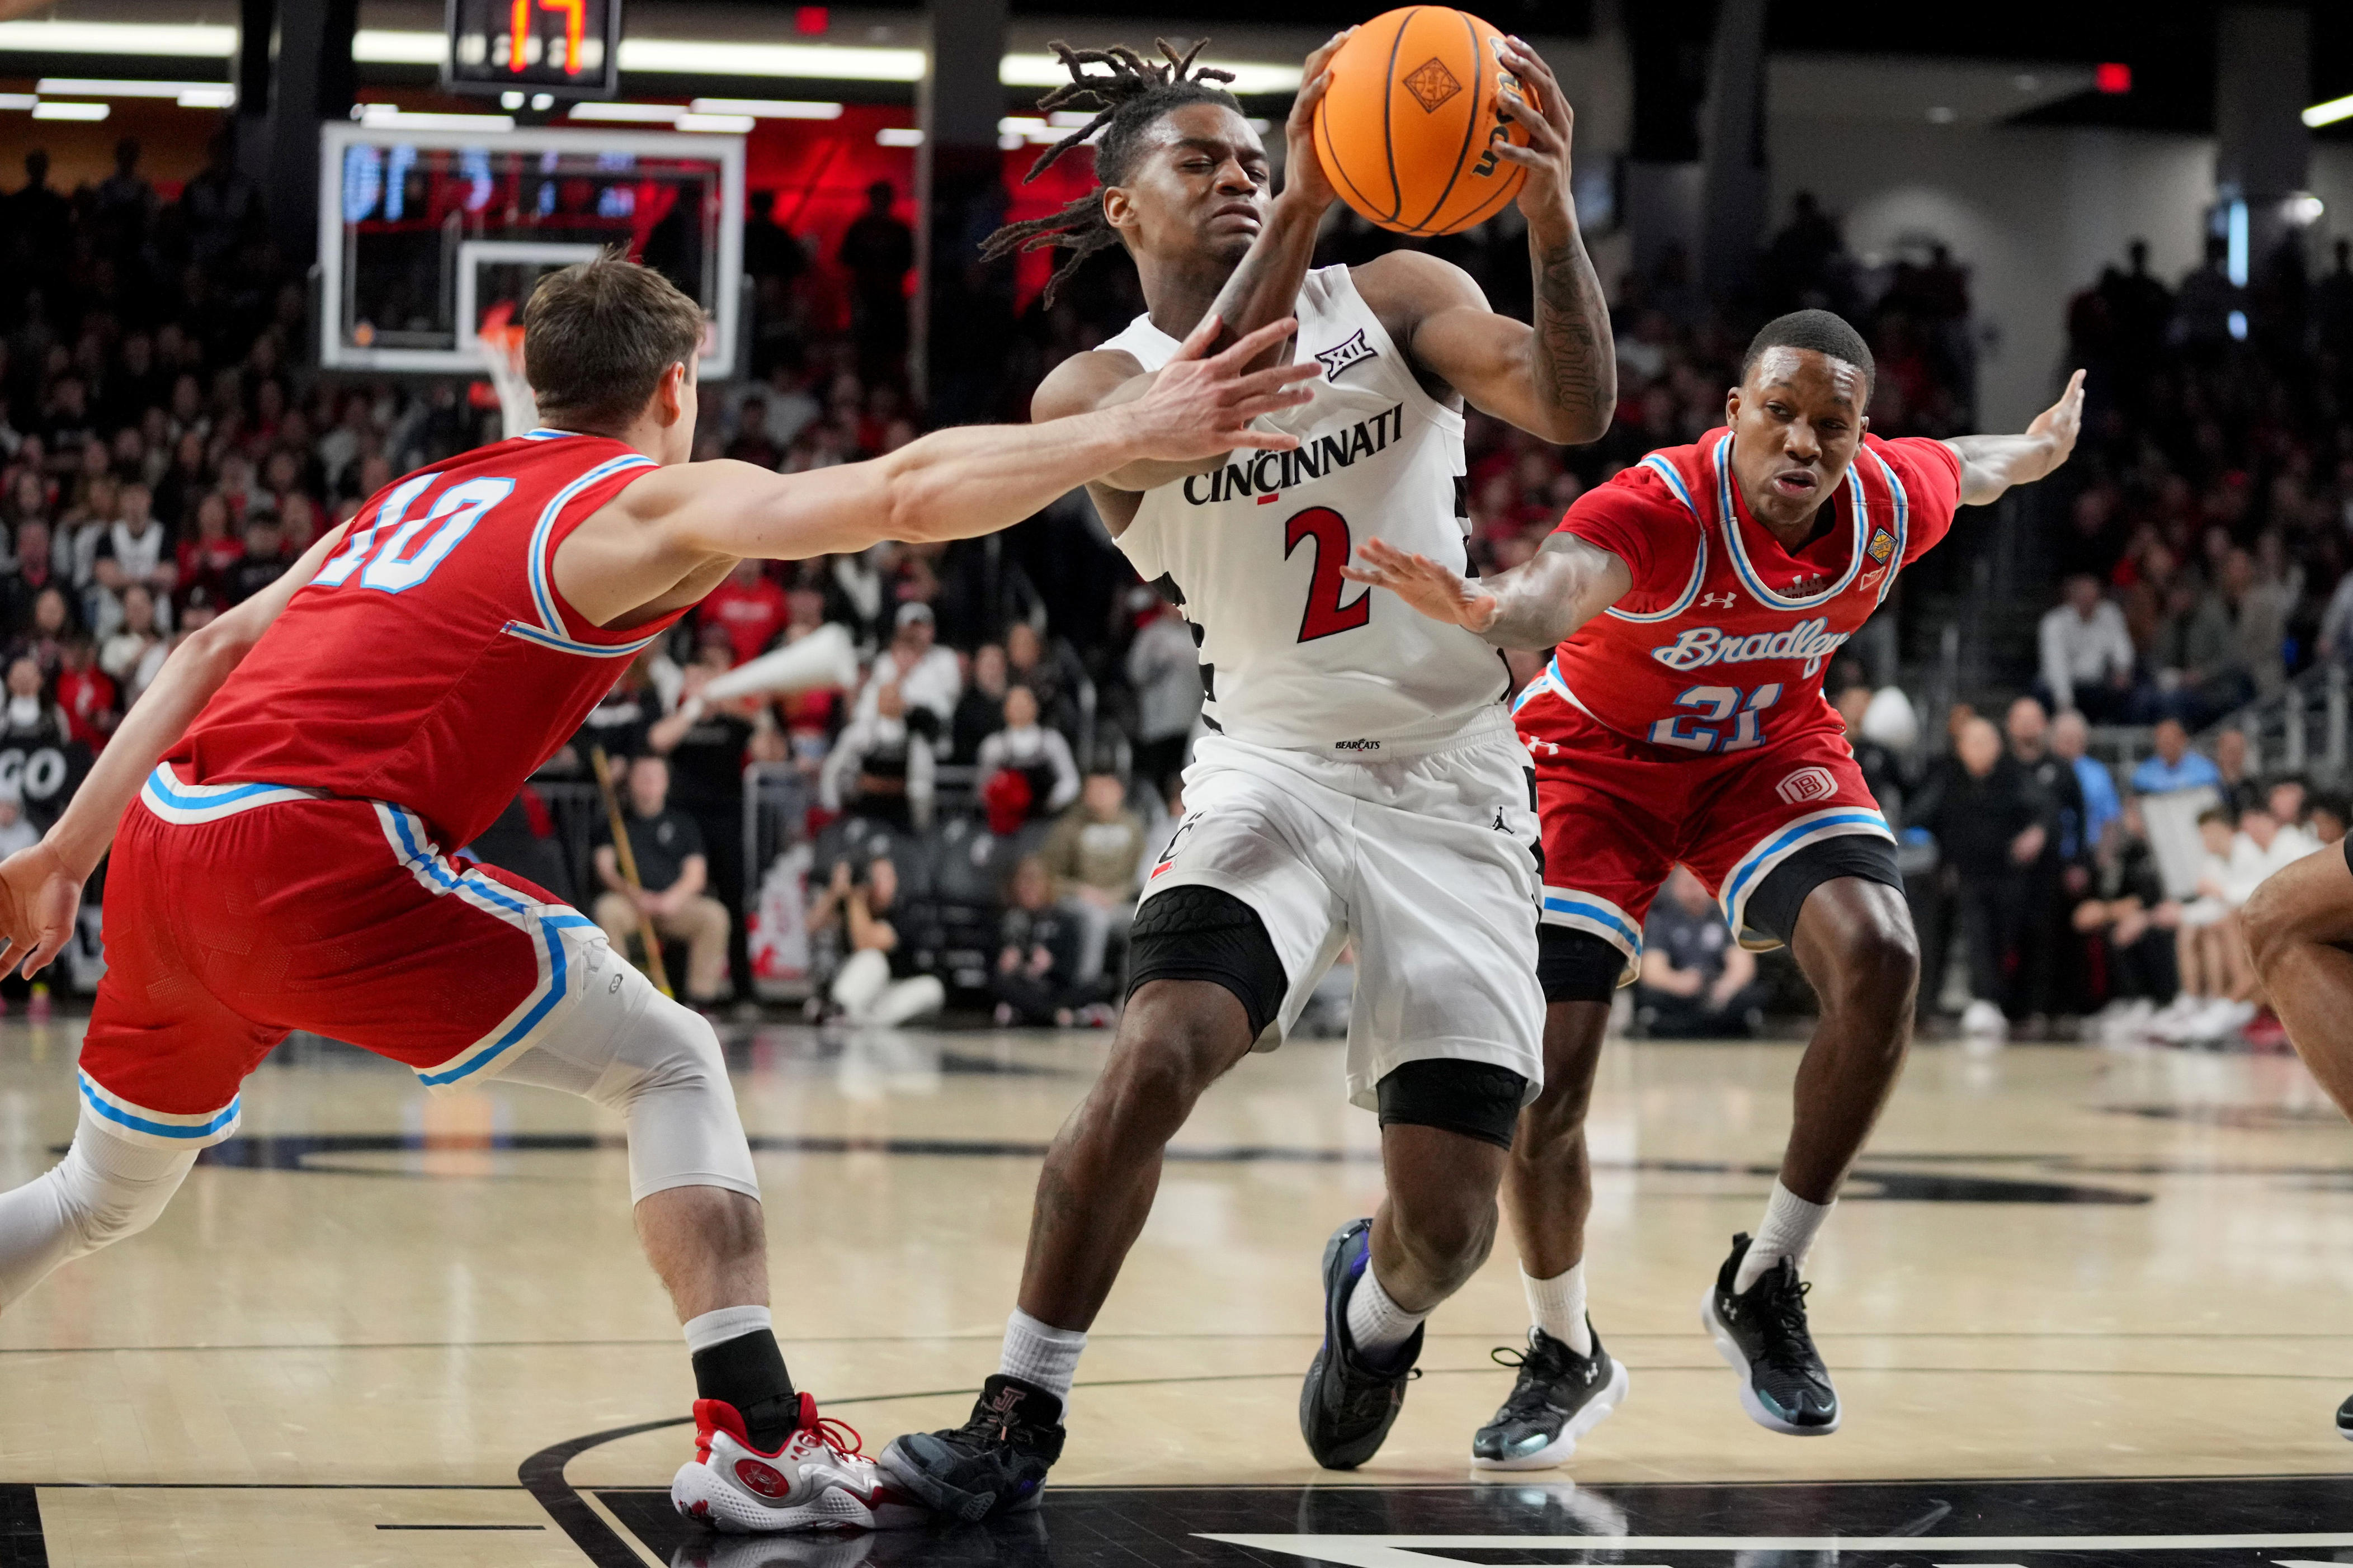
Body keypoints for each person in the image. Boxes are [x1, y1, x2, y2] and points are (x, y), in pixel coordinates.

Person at [0, 255, 1314, 1534]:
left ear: (528, 381)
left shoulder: (416, 494)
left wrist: (65, 855)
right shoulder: (627, 503)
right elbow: (907, 493)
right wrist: (1132, 426)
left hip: (168, 839)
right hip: (319, 855)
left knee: (96, 1197)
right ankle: (752, 1437)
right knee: (674, 1061)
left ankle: (750, 1434)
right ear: (676, 389)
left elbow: (212, 643)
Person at [880, 26, 1616, 1510]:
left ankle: (1374, 1306)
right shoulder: (1090, 389)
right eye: (1198, 159)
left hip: (1450, 782)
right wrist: (1296, 201)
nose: (1236, 170)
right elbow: (1177, 427)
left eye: (1252, 153)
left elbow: (1572, 406)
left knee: (1449, 1230)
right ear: (1118, 209)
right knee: (1154, 1048)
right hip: (1266, 762)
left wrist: (1546, 221)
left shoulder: (1397, 295)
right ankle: (1019, 1407)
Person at [1346, 316, 2082, 1447]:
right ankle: (1563, 1348)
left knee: (1885, 957)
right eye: (1778, 412)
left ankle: (1766, 1279)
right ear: (1732, 411)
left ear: (1858, 437)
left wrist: (2039, 448)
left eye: (1828, 425)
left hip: (1765, 755)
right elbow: (1554, 589)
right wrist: (1491, 609)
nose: (1800, 440)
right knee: (1552, 1079)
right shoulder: (1657, 506)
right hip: (1592, 766)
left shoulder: (1889, 499)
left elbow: (1973, 468)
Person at [1912, 716, 2054, 1040]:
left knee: (2005, 936)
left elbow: (2043, 809)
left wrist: (2037, 833)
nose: (1980, 749)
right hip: (1956, 875)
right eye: (1972, 742)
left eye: (1987, 742)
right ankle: (1940, 1006)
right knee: (1951, 932)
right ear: (1960, 748)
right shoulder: (1947, 778)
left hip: (2005, 874)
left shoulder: (2012, 776)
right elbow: (1917, 816)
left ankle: (2002, 1005)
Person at [592, 753, 733, 1009]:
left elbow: (696, 874)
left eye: (655, 776)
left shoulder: (683, 824)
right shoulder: (614, 823)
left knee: (715, 916)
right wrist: (636, 896)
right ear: (631, 781)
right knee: (606, 909)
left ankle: (700, 1001)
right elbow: (605, 869)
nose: (649, 782)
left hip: (674, 906)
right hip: (632, 904)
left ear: (666, 782)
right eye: (642, 776)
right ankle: (619, 996)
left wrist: (672, 899)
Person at [1039, 768, 1147, 984]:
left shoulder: (1133, 827)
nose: (1096, 795)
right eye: (1091, 789)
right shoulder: (1069, 826)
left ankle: (1130, 991)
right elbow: (1046, 875)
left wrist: (1116, 895)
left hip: (1118, 903)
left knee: (1143, 920)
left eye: (1103, 789)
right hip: (1075, 902)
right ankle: (1085, 990)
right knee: (1095, 919)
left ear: (1119, 791)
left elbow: (1140, 875)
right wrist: (1083, 892)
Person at [809, 853, 944, 1026]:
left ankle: (848, 1018)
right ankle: (839, 1010)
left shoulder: (905, 912)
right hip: (850, 990)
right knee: (872, 960)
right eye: (874, 877)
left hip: (889, 994)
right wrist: (835, 892)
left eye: (886, 877)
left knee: (932, 988)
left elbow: (865, 941)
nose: (880, 884)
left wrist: (856, 899)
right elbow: (811, 927)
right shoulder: (849, 906)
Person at [1633, 866, 1762, 1037]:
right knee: (1651, 996)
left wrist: (1727, 986)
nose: (1693, 890)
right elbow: (1652, 971)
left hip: (1717, 991)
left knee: (1750, 996)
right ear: (1674, 886)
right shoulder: (1659, 920)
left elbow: (1743, 966)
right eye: (1687, 884)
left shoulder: (1726, 918)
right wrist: (1679, 983)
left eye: (1698, 883)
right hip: (1677, 993)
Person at [990, 856, 1092, 1027]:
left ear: (1047, 885)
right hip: (1023, 986)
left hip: (1054, 987)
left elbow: (1071, 970)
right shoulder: (1008, 920)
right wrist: (1008, 964)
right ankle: (1055, 1015)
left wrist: (1051, 964)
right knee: (1002, 986)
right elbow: (991, 966)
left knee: (1092, 988)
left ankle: (1034, 1013)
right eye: (1023, 883)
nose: (1028, 889)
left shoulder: (1064, 921)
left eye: (1034, 883)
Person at [975, 685, 1078, 827]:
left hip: (1045, 820)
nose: (1020, 709)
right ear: (1005, 709)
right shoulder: (994, 746)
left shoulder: (1052, 741)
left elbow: (1070, 780)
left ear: (1035, 707)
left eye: (1025, 704)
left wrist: (1050, 803)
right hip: (1006, 823)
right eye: (1015, 704)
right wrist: (1004, 802)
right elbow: (984, 787)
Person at [2036, 572, 2134, 721]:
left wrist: (2122, 669)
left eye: (2093, 596)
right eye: (2084, 596)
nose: (2089, 601)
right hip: (2064, 683)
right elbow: (2056, 665)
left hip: (2097, 684)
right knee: (2043, 689)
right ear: (2072, 598)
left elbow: (2122, 648)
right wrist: (2065, 702)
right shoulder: (2055, 622)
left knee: (2126, 688)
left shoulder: (2110, 614)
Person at [2130, 719, 2222, 796]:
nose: (2168, 746)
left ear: (2183, 740)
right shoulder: (2144, 773)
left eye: (2171, 740)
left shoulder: (2205, 769)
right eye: (2163, 741)